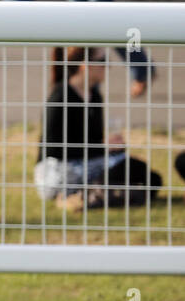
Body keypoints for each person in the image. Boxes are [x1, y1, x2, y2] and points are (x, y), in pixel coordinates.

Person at [34, 47, 162, 209]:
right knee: (126, 169)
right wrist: (103, 148)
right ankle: (85, 195)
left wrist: (110, 145)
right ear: (85, 65)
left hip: (88, 162)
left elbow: (94, 142)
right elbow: (54, 150)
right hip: (57, 172)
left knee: (150, 177)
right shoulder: (60, 96)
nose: (107, 67)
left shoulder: (94, 95)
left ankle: (93, 194)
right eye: (102, 62)